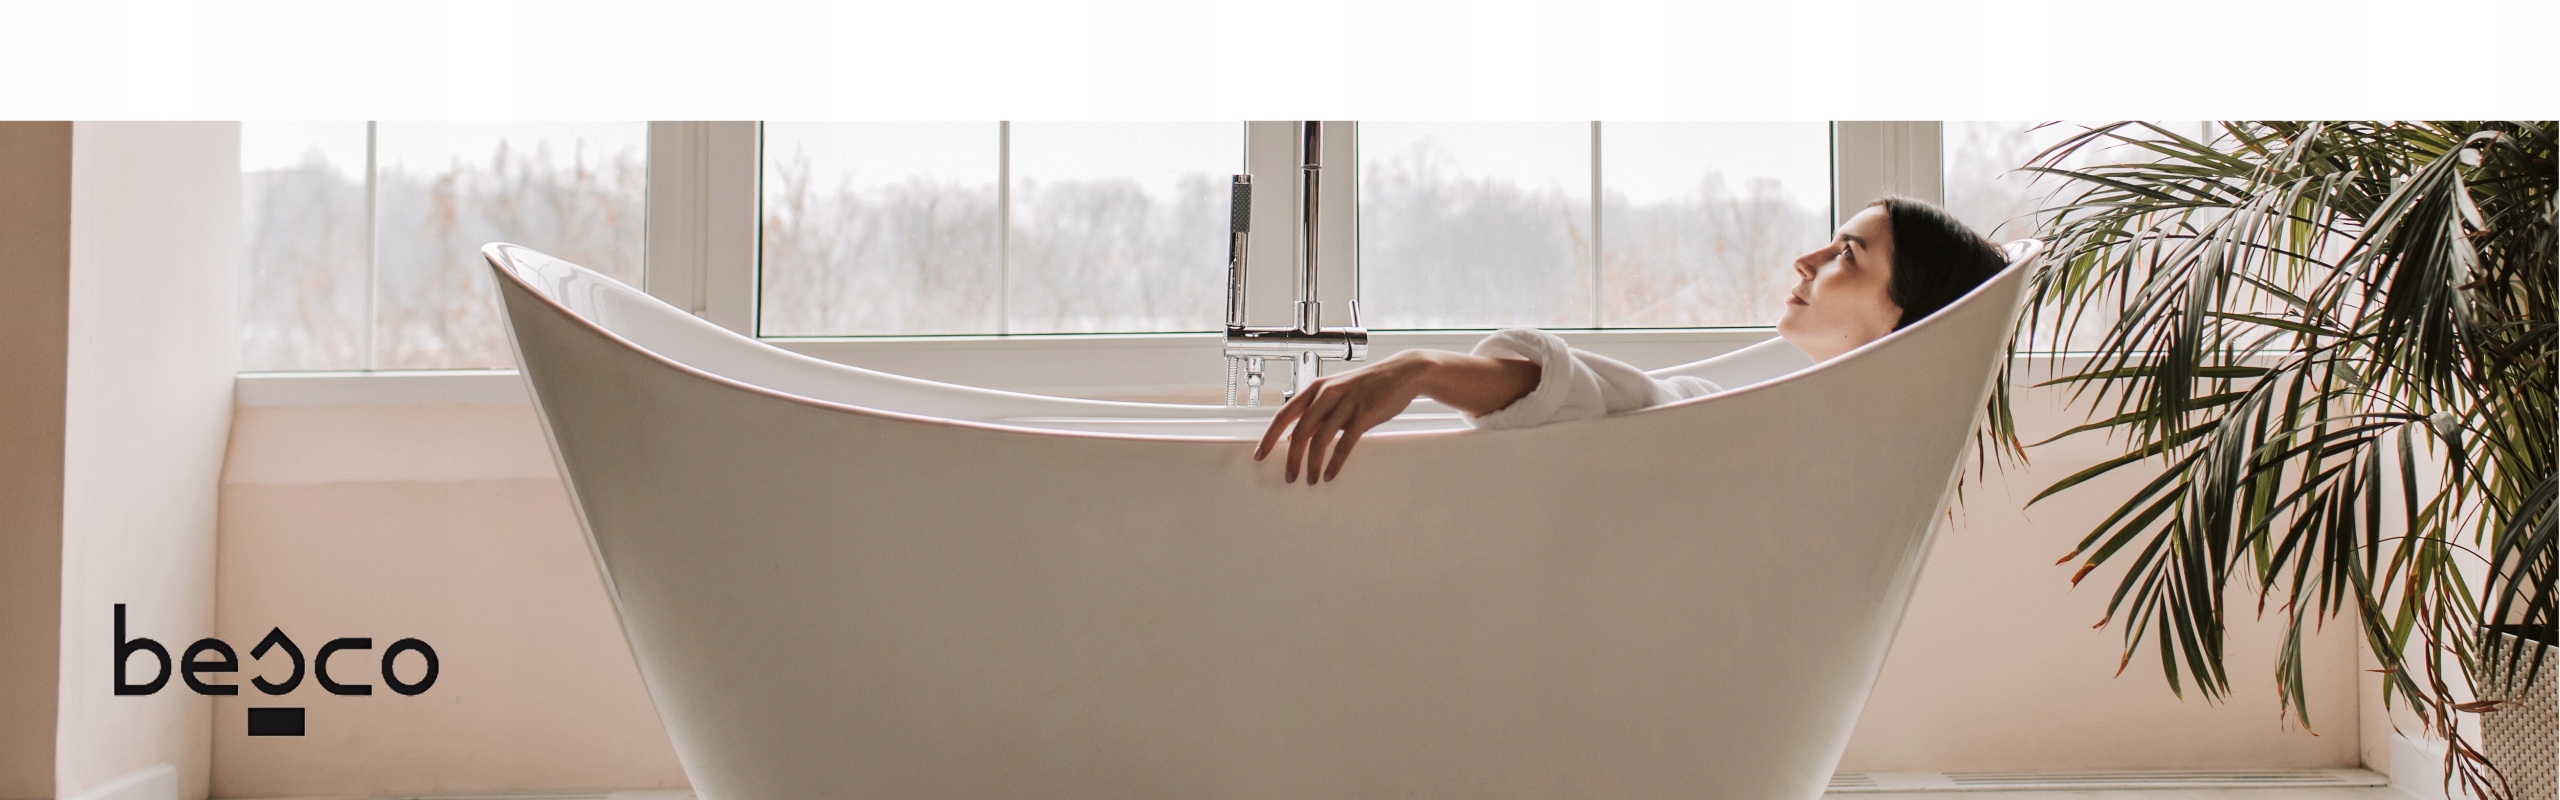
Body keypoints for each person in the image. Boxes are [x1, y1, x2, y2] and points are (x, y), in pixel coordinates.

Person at [1253, 195, 2008, 484]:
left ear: (1906, 319)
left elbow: (1622, 408)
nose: (1805, 260)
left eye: (1847, 254)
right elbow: (1641, 408)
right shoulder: (1786, 434)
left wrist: (1423, 368)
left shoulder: (1794, 451)